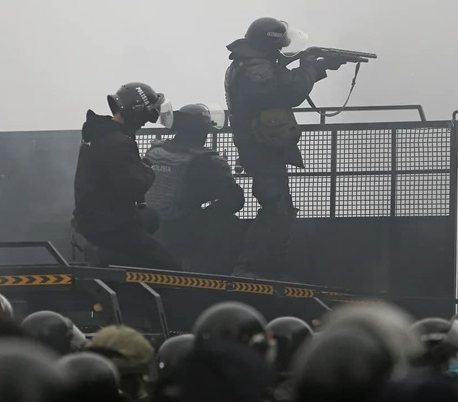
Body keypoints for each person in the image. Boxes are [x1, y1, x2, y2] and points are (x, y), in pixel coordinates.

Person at [224, 17, 345, 279]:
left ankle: (264, 267)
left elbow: (281, 82)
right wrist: (309, 66)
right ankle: (250, 268)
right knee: (275, 207)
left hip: (260, 144)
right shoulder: (256, 66)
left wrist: (318, 68)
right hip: (260, 146)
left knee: (279, 207)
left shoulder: (253, 62)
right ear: (270, 42)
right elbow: (288, 92)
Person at [73, 82, 180, 270]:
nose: (144, 124)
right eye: (145, 119)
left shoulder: (98, 134)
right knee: (171, 268)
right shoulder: (118, 142)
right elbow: (134, 186)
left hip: (91, 218)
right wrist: (147, 169)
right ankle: (111, 258)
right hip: (111, 226)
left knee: (151, 217)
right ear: (137, 114)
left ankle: (115, 256)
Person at [144, 103, 244, 273]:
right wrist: (206, 212)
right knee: (230, 225)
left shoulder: (154, 152)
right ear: (202, 130)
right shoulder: (207, 160)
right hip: (181, 231)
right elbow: (235, 199)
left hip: (147, 225)